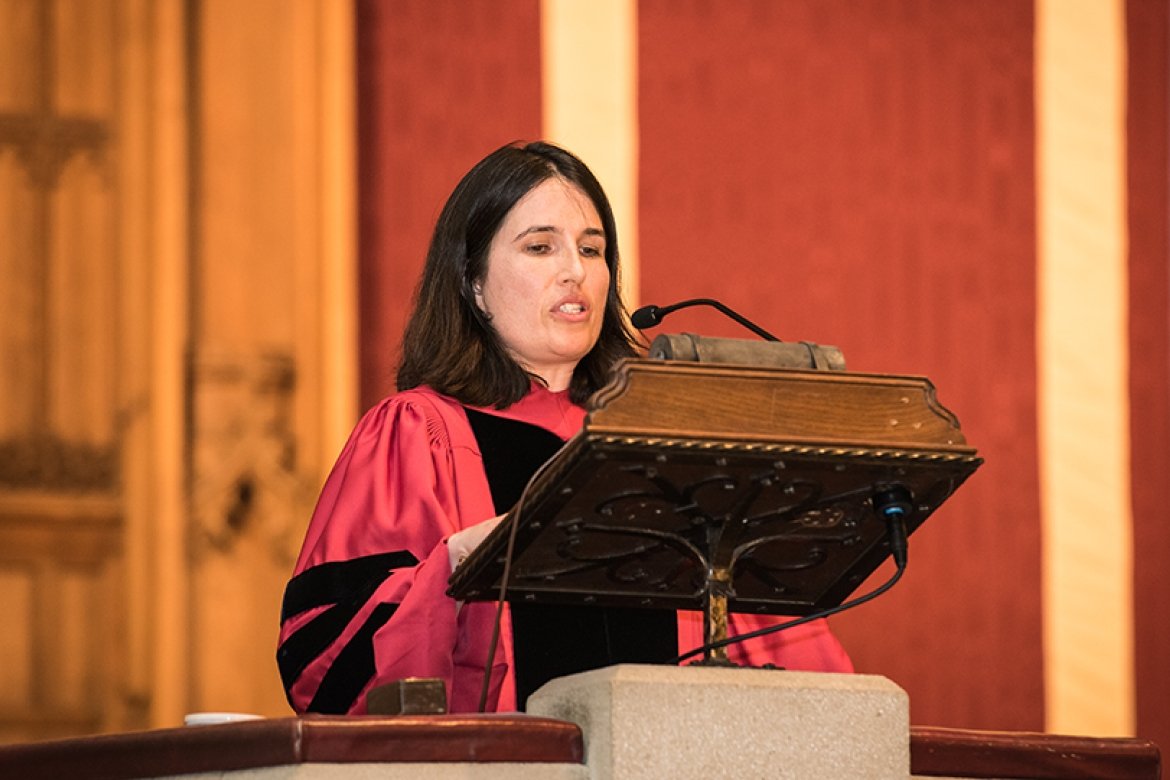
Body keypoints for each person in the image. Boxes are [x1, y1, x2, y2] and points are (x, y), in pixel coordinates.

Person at [276, 141, 852, 715]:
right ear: (473, 282)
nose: (574, 271)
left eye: (591, 249)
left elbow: (777, 640)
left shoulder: (657, 448)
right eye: (540, 247)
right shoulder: (417, 433)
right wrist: (459, 561)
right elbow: (323, 652)